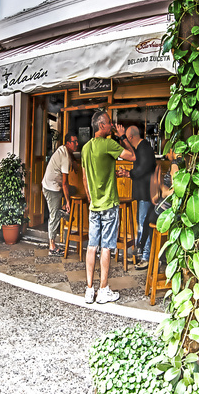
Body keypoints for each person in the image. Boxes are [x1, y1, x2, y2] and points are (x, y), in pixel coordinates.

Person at [81, 112, 136, 304]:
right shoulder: (109, 144)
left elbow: (84, 178)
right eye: (109, 123)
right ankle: (103, 289)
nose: (112, 125)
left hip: (94, 206)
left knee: (91, 246)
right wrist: (122, 137)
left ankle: (89, 290)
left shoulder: (86, 148)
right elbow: (132, 156)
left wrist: (91, 200)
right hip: (110, 204)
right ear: (101, 125)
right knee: (106, 247)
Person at [124, 125, 159, 270]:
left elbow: (143, 168)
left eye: (126, 138)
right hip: (144, 193)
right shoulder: (142, 148)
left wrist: (129, 174)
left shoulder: (144, 148)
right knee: (142, 224)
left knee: (144, 225)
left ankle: (146, 256)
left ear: (131, 137)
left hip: (146, 194)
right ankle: (142, 253)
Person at [41, 133, 78, 256]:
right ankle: (52, 246)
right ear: (68, 143)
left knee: (74, 191)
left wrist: (75, 162)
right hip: (51, 188)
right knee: (54, 216)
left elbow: (70, 154)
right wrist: (67, 202)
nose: (77, 144)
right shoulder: (65, 157)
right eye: (74, 142)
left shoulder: (63, 150)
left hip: (54, 185)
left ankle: (62, 210)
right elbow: (65, 184)